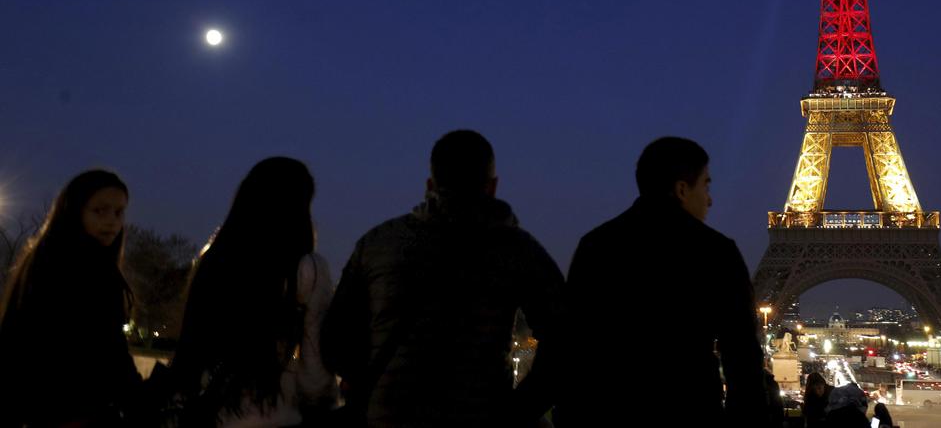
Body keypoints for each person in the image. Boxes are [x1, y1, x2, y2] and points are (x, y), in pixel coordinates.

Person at [321, 130, 565, 427]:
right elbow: (566, 343)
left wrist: (377, 385)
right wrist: (514, 412)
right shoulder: (519, 252)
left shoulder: (377, 244)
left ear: (429, 185)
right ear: (492, 187)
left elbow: (334, 342)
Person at [557, 136, 769, 427]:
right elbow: (742, 357)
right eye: (706, 184)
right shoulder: (717, 251)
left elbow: (571, 344)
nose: (710, 198)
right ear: (682, 189)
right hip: (690, 411)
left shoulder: (595, 245)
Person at [172, 157, 337, 426]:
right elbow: (315, 365)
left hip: (204, 408)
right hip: (270, 410)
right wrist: (322, 405)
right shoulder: (308, 269)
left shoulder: (214, 259)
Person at [0, 170, 142, 427]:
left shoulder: (45, 259)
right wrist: (140, 399)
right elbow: (106, 347)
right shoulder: (86, 267)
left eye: (119, 212)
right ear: (74, 210)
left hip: (40, 409)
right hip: (72, 410)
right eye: (100, 210)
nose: (112, 221)